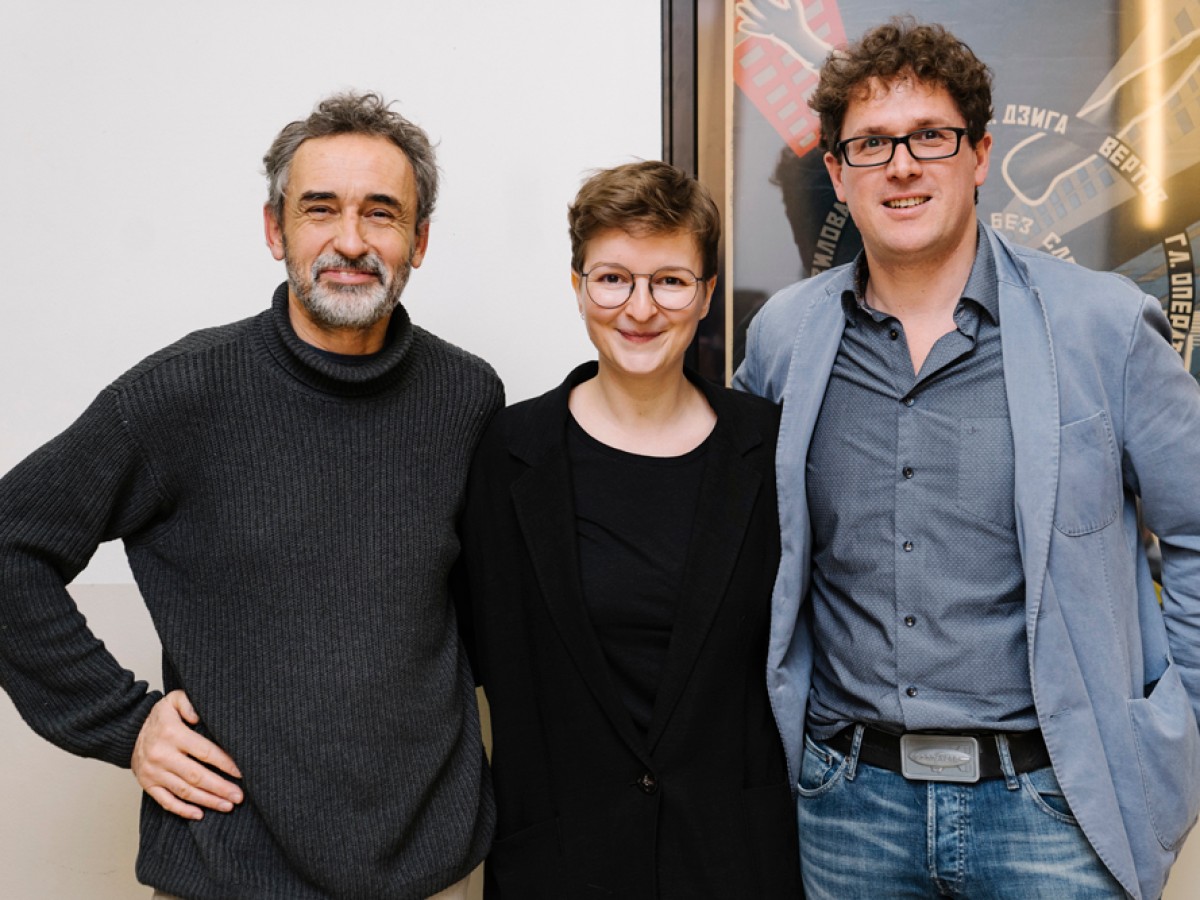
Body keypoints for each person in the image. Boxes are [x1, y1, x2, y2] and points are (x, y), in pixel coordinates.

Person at [734, 17, 1200, 900]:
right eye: (871, 143)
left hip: (1053, 813)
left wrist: (1177, 736)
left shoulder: (1101, 325)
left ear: (979, 154)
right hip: (844, 810)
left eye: (930, 137)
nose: (901, 165)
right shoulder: (784, 340)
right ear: (837, 172)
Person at [0, 91, 500, 899]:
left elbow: (478, 610)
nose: (350, 240)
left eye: (382, 213)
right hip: (229, 873)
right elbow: (8, 540)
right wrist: (125, 724)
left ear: (421, 239)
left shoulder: (467, 399)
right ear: (275, 231)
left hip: (429, 873)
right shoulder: (178, 397)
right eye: (319, 210)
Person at [458, 161, 801, 898]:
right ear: (577, 284)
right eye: (613, 278)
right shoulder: (505, 454)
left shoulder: (770, 450)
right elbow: (457, 651)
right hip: (558, 863)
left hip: (733, 863)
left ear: (706, 294)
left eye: (670, 281)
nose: (640, 308)